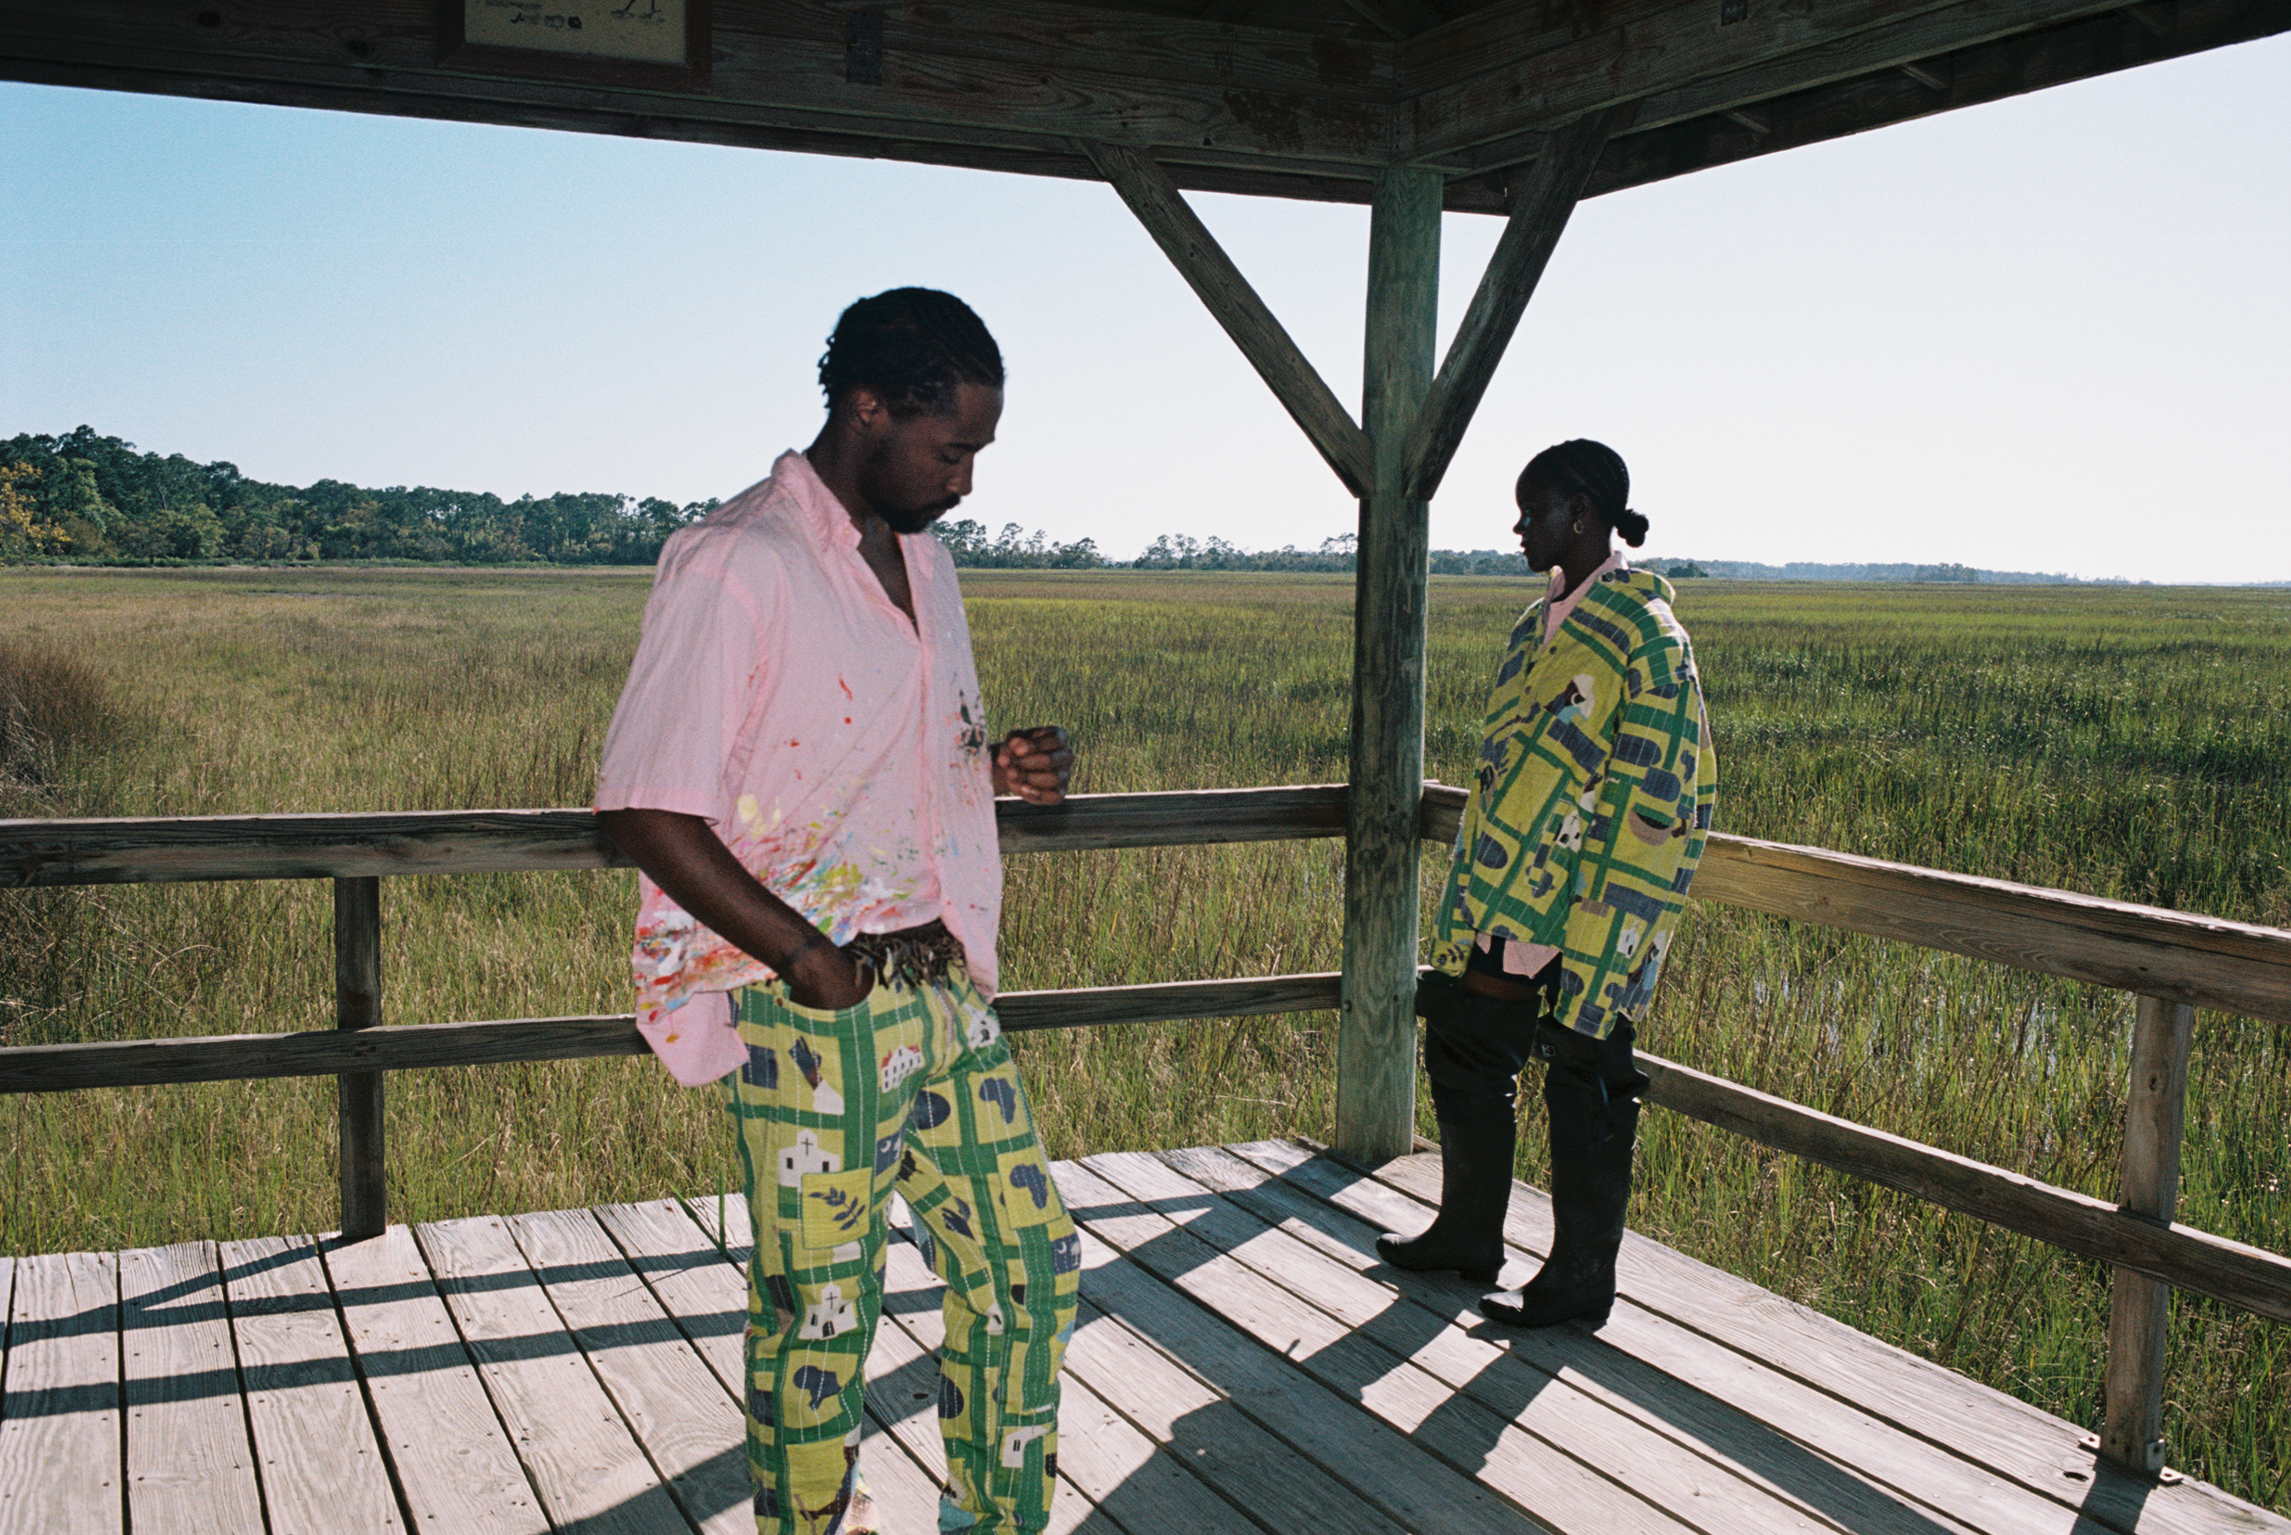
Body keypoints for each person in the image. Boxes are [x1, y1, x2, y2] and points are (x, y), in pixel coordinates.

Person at [594, 288, 1081, 1535]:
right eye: (951, 446)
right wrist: (809, 958)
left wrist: (991, 765)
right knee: (819, 1313)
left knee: (1028, 1273)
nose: (966, 478)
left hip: (944, 984)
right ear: (868, 406)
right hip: (815, 1007)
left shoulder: (923, 557)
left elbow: (864, 764)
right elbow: (643, 809)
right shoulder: (735, 560)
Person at [1376, 439, 1716, 1329]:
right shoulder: (1538, 625)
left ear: (1581, 513)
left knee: (1586, 1070)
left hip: (1596, 890)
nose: (1519, 527)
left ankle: (1575, 1279)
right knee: (1466, 1039)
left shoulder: (1646, 633)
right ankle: (1467, 1234)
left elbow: (1666, 783)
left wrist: (1600, 906)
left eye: (1533, 511)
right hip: (1508, 885)